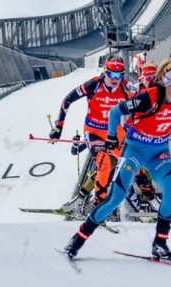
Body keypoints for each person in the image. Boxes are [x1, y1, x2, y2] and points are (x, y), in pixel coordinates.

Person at [63, 59, 171, 260]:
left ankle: (160, 243)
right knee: (115, 198)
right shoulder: (148, 98)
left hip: (159, 152)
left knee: (170, 191)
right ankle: (78, 239)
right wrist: (112, 137)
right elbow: (116, 112)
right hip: (135, 150)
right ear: (166, 83)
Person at [50, 55, 133, 214]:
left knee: (133, 163)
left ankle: (152, 200)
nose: (115, 79)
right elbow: (67, 100)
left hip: (115, 132)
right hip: (94, 130)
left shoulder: (127, 87)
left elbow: (144, 103)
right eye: (111, 74)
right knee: (104, 165)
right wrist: (58, 127)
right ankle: (98, 210)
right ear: (105, 72)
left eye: (119, 75)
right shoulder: (93, 85)